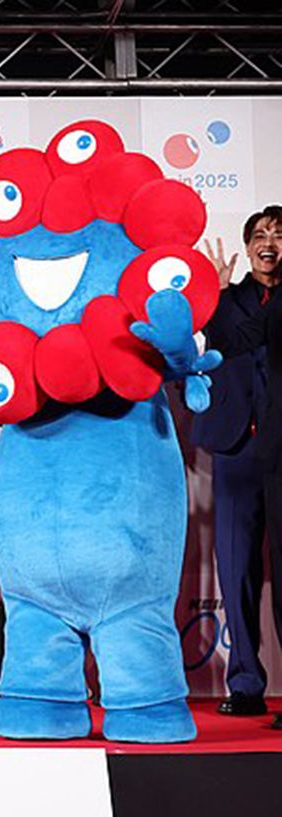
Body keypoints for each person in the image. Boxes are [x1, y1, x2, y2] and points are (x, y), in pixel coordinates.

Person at [194, 206, 282, 719]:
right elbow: (213, 344)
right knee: (236, 570)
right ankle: (246, 683)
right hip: (237, 449)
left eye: (280, 235)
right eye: (261, 235)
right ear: (248, 248)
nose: (270, 243)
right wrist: (213, 295)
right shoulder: (224, 299)